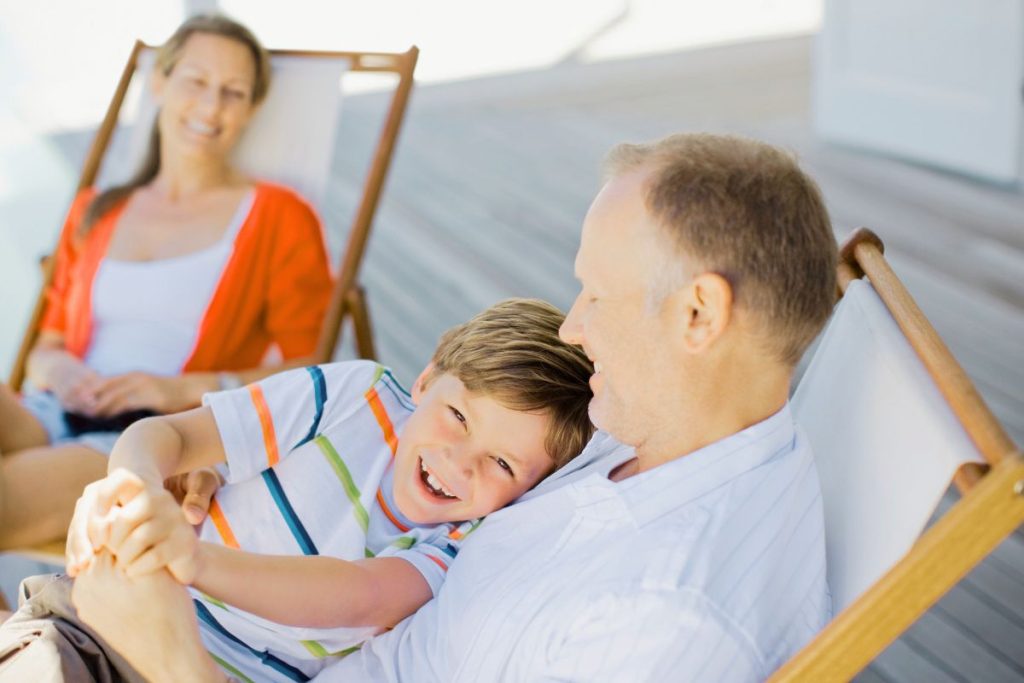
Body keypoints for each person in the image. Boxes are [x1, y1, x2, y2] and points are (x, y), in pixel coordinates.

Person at [23, 132, 836, 682]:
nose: (573, 326)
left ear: (698, 314)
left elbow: (372, 593)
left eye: (597, 295)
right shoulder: (649, 433)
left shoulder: (663, 623)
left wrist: (167, 646)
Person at [0, 298, 595, 682]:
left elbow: (360, 597)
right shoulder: (357, 397)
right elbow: (172, 436)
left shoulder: (467, 535)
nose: (458, 463)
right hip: (94, 628)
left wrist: (194, 560)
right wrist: (131, 485)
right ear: (427, 378)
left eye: (501, 463)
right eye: (459, 417)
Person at [0, 14, 332, 550]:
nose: (210, 105)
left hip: (152, 438)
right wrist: (61, 370)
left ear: (251, 109)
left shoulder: (278, 216)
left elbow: (313, 373)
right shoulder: (97, 210)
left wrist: (178, 389)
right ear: (159, 83)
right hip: (52, 408)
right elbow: (48, 345)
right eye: (195, 81)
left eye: (233, 92)